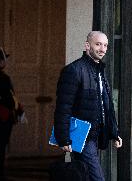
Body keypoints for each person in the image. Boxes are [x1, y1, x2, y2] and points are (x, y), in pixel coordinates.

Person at [54, 31, 122, 181]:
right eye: (98, 44)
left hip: (98, 135)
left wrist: (114, 132)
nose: (102, 49)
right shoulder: (73, 70)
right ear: (87, 45)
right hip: (82, 136)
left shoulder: (100, 71)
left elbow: (107, 106)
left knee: (86, 177)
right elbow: (63, 107)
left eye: (105, 45)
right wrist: (63, 138)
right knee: (97, 178)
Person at [0, 48, 23, 181]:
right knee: (0, 145)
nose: (5, 62)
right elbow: (9, 97)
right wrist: (16, 110)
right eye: (4, 59)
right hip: (2, 116)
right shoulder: (2, 77)